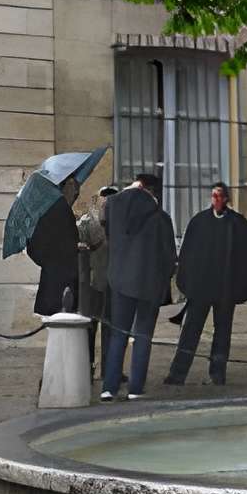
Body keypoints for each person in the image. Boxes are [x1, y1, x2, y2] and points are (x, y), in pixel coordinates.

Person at [165, 182, 247, 387]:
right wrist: (187, 283)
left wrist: (240, 285)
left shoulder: (239, 224)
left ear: (226, 199)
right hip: (200, 289)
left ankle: (217, 373)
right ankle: (178, 373)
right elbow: (187, 256)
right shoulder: (199, 222)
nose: (216, 200)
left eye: (220, 196)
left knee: (222, 332)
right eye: (213, 196)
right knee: (191, 330)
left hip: (226, 289)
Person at [100, 170, 178, 400]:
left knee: (118, 335)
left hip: (120, 281)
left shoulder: (113, 208)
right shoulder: (160, 218)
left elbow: (108, 240)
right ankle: (135, 389)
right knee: (143, 336)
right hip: (149, 284)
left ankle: (109, 387)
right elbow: (169, 256)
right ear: (151, 191)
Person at [25, 175, 80, 319]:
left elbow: (32, 246)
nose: (76, 193)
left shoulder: (50, 207)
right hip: (62, 279)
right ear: (66, 187)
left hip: (52, 276)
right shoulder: (62, 209)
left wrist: (46, 262)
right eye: (74, 189)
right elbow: (71, 242)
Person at [77, 184, 116, 376]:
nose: (108, 201)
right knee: (90, 328)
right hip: (94, 283)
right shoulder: (87, 222)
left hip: (113, 283)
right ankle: (88, 366)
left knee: (110, 329)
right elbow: (78, 246)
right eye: (105, 197)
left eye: (112, 198)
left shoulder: (121, 223)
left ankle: (109, 369)